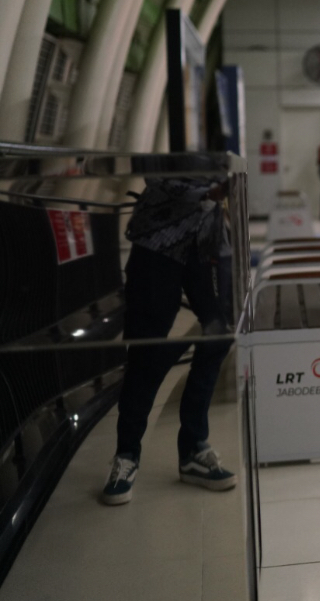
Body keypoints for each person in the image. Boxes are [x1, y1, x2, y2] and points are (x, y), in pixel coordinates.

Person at [102, 175, 236, 505]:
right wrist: (209, 191)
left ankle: (193, 447)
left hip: (208, 239)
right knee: (147, 348)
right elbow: (156, 165)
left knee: (219, 335)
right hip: (159, 238)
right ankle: (127, 453)